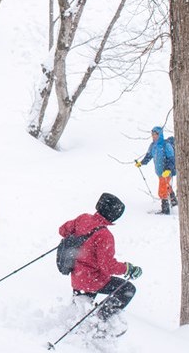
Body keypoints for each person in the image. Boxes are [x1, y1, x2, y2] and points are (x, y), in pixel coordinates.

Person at [59, 193, 142, 337]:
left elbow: (62, 230)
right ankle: (101, 320)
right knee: (128, 289)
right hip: (93, 280)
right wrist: (128, 268)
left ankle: (75, 328)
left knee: (80, 308)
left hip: (77, 277)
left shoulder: (83, 218)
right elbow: (107, 266)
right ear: (114, 215)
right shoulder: (105, 235)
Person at [135, 126, 177, 214]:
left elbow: (171, 159)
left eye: (155, 134)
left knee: (162, 190)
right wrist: (141, 163)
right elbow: (148, 156)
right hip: (159, 171)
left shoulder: (166, 145)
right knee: (166, 185)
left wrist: (168, 169)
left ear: (160, 135)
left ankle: (165, 209)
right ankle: (173, 201)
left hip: (166, 172)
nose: (153, 136)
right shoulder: (153, 146)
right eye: (152, 134)